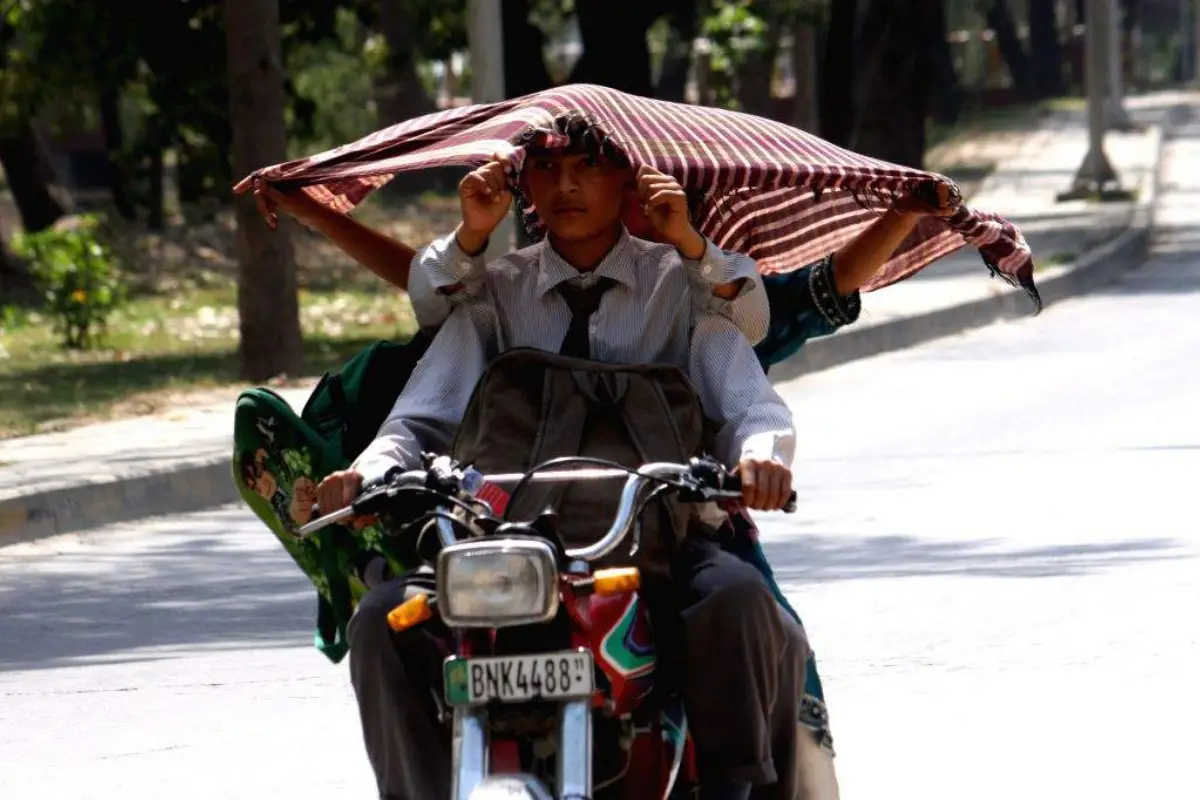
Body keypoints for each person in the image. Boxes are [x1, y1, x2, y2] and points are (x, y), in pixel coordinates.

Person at [313, 112, 804, 800]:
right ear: (522, 188)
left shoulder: (681, 285)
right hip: (504, 547)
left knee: (739, 599)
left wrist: (760, 459)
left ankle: (729, 788)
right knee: (382, 622)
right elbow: (419, 416)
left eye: (588, 168)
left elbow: (751, 404)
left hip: (654, 545)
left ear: (629, 179)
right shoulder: (494, 291)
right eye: (546, 170)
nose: (565, 186)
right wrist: (366, 476)